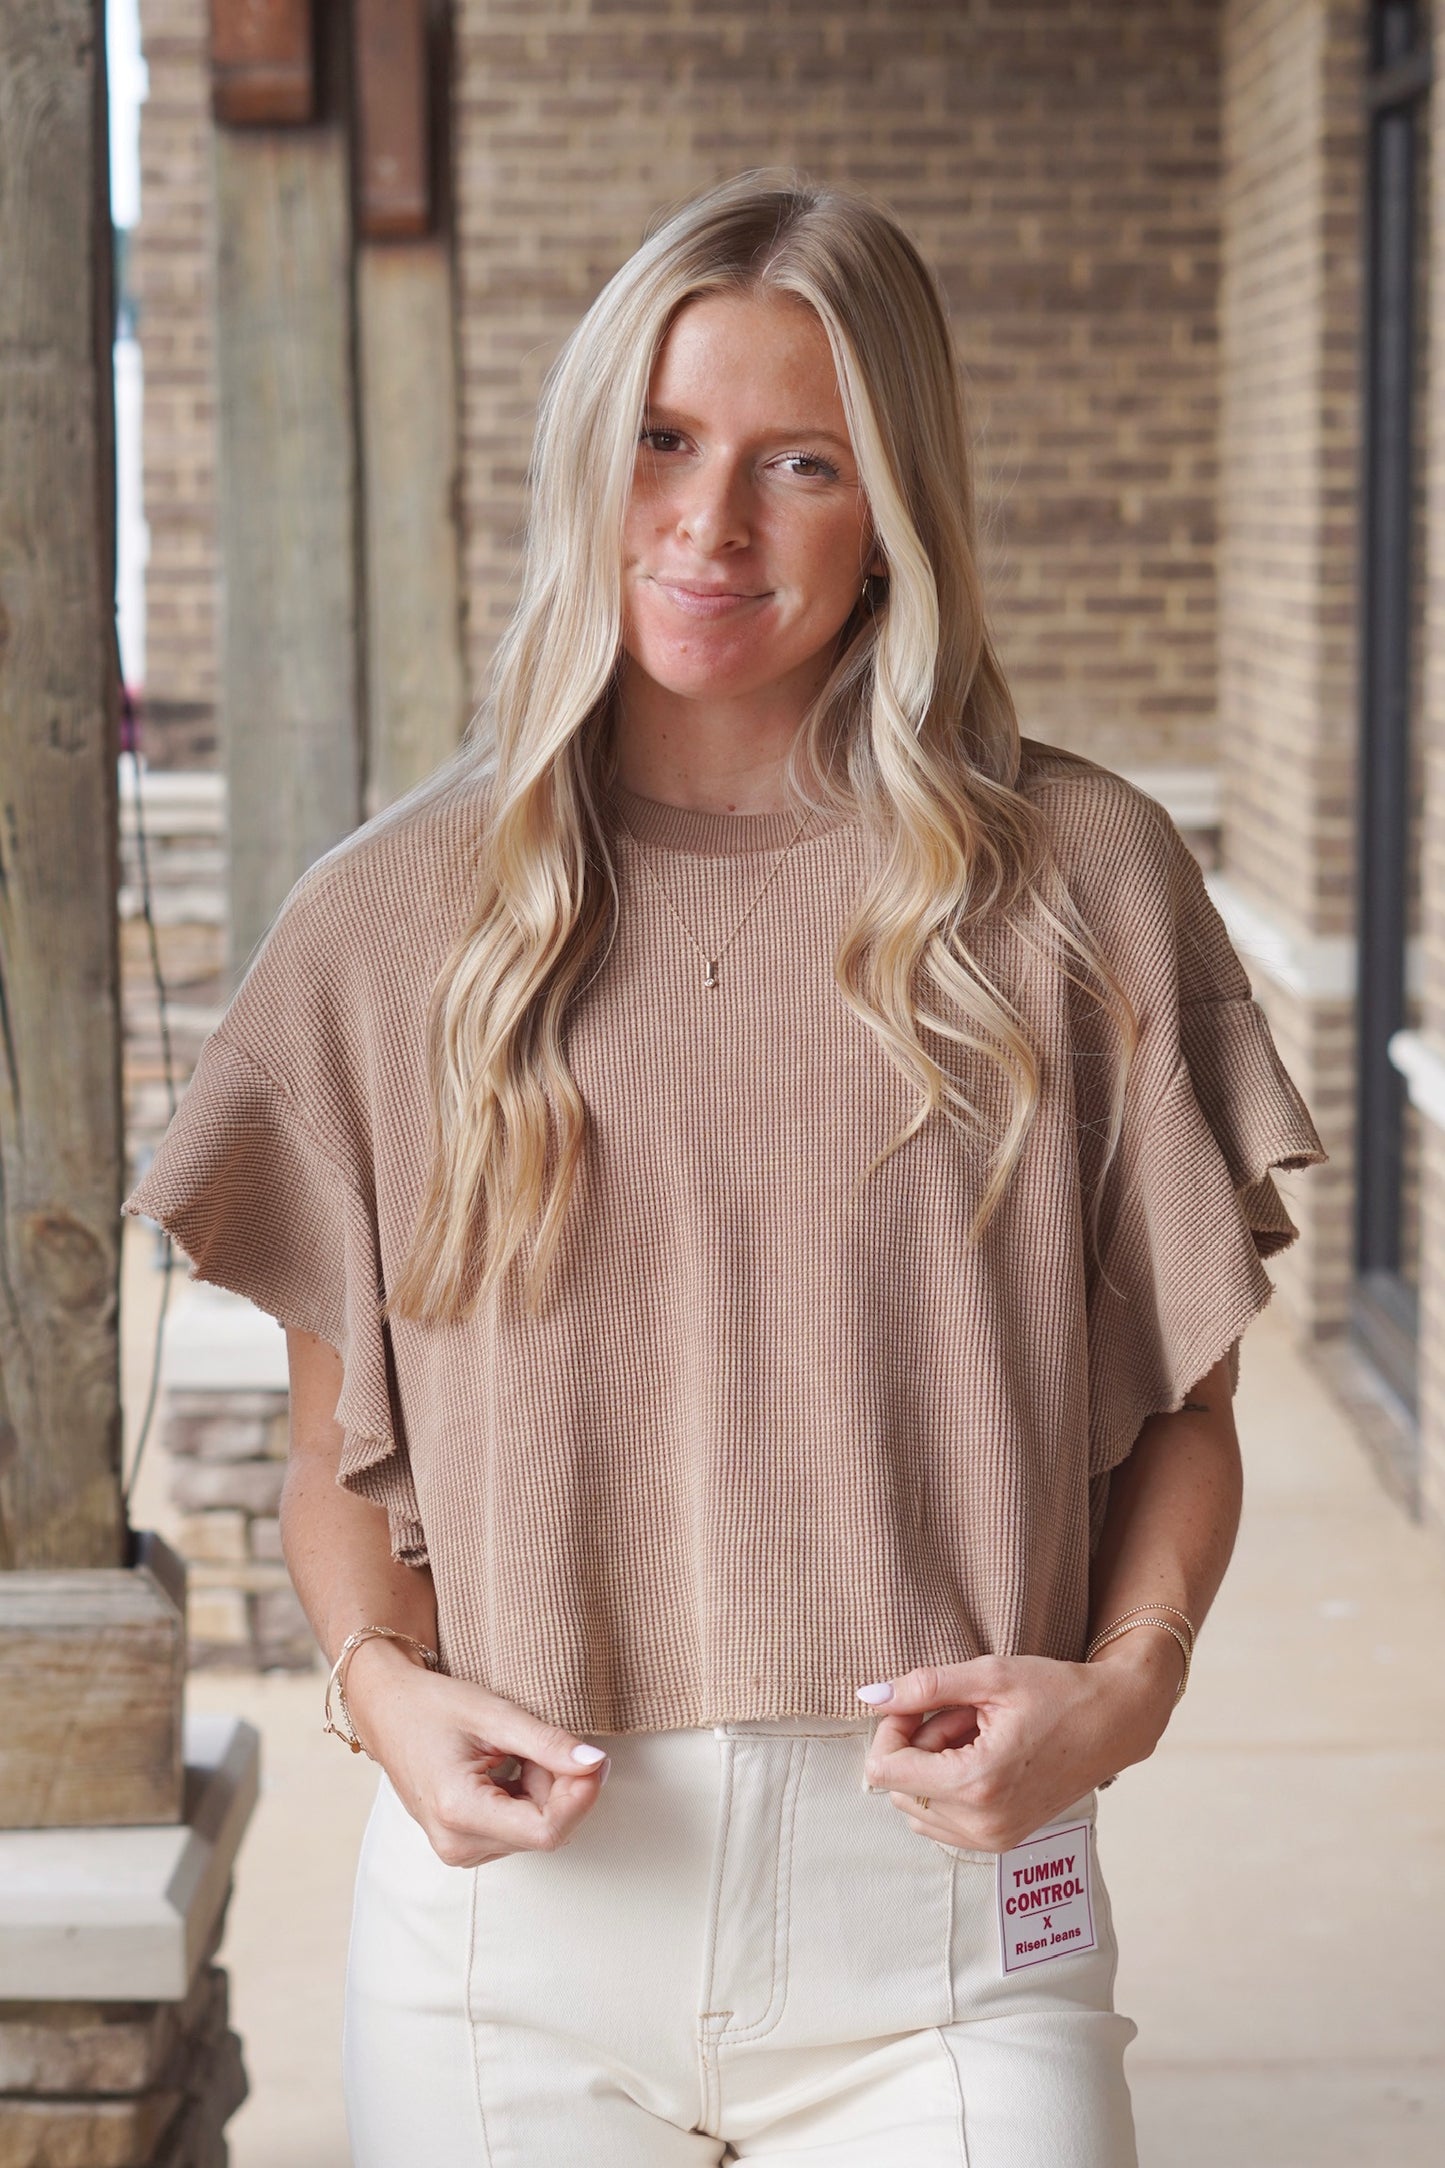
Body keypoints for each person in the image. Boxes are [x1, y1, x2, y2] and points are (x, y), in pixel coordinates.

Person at [124, 170, 1328, 2166]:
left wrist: (1120, 1699)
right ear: (590, 457)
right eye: (666, 442)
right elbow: (347, 1445)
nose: (709, 523)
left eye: (803, 464)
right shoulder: (391, 921)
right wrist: (378, 1689)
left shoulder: (1080, 889)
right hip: (512, 1938)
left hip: (951, 1934)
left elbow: (1185, 1417)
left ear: (900, 516)